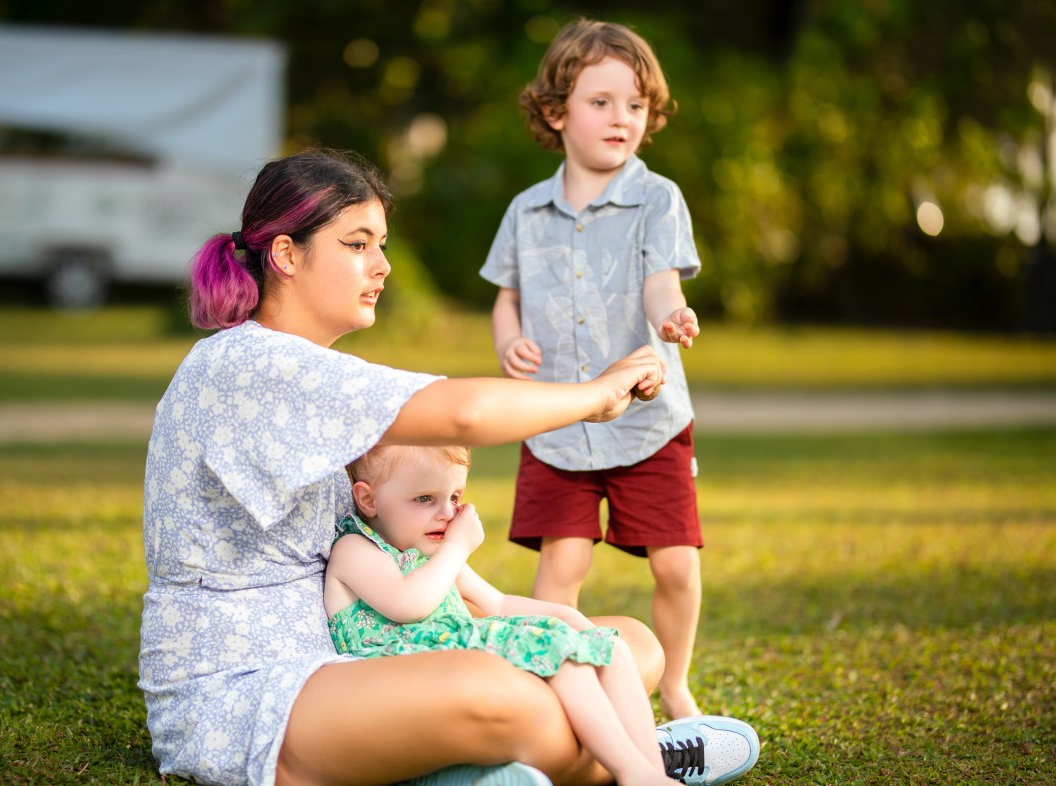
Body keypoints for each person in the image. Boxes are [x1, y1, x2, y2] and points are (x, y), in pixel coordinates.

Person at [139, 148, 759, 786]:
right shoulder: (247, 365)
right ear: (287, 256)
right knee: (505, 694)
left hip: (361, 657)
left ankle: (544, 761)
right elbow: (463, 415)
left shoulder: (302, 367)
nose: (382, 267)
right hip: (251, 688)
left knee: (633, 646)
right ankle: (632, 757)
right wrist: (595, 395)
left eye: (382, 244)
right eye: (358, 244)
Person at [479, 18, 706, 721]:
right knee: (563, 564)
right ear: (556, 112)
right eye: (601, 102)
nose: (621, 118)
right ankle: (553, 694)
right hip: (558, 419)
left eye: (635, 105)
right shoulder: (526, 210)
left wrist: (672, 315)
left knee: (676, 564)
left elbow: (660, 281)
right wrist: (508, 340)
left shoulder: (658, 198)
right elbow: (505, 299)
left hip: (646, 420)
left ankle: (672, 685)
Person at [327, 443, 751, 786]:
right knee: (562, 656)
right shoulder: (357, 550)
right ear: (368, 499)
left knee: (607, 649)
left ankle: (648, 766)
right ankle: (630, 771)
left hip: (450, 659)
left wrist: (565, 615)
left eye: (455, 497)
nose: (447, 513)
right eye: (424, 499)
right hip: (397, 680)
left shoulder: (428, 549)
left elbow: (496, 603)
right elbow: (408, 605)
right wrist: (456, 549)